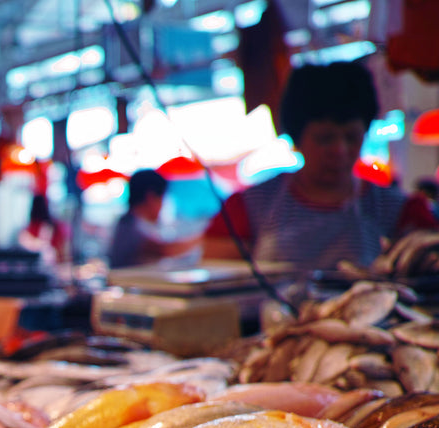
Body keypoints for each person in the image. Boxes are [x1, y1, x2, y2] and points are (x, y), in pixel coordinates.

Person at [203, 59, 438, 272]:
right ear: (296, 138)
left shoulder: (402, 211)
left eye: (351, 137)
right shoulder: (247, 208)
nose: (339, 150)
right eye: (325, 138)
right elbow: (216, 282)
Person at [107, 169, 199, 268]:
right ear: (150, 197)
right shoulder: (130, 225)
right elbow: (166, 250)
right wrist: (202, 238)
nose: (162, 205)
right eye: (161, 199)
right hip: (126, 281)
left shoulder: (131, 222)